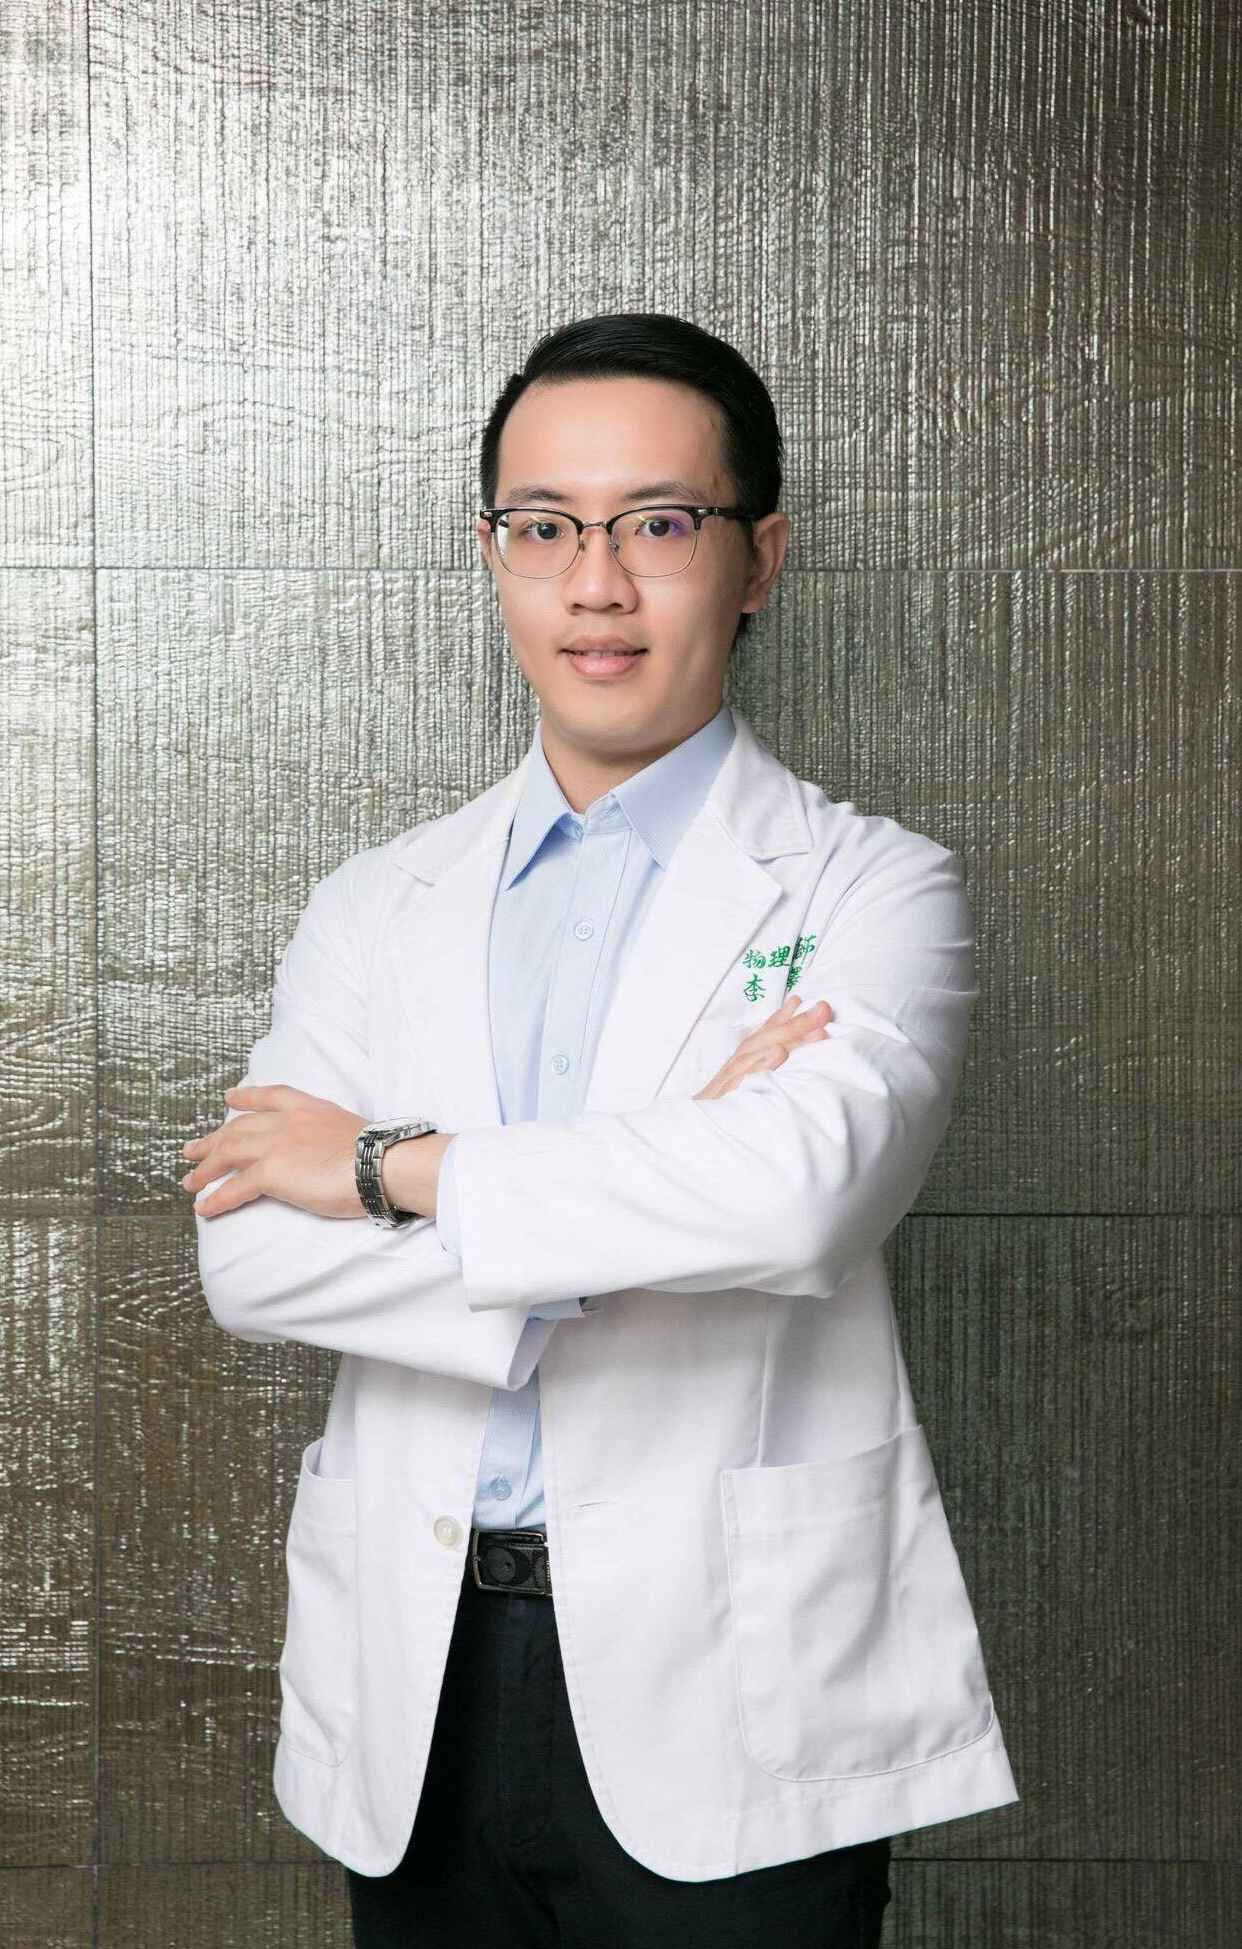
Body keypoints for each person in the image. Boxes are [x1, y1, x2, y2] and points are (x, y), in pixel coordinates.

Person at [185, 312, 1018, 1947]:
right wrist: (658, 1173)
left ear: (756, 557)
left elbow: (794, 1200)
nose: (597, 585)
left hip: (735, 1685)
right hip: (419, 1675)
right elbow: (254, 1261)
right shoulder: (374, 903)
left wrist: (386, 1169)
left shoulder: (870, 886)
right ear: (491, 553)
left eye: (658, 523)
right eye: (544, 528)